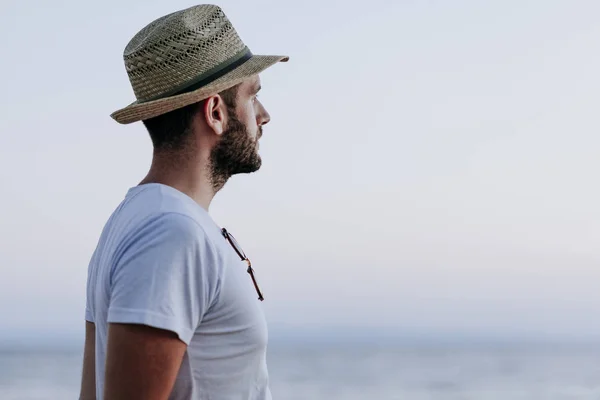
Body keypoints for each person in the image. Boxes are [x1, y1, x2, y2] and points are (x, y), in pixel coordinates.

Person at [79, 4, 288, 400]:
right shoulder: (172, 233)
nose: (264, 115)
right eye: (252, 96)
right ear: (215, 112)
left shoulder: (136, 222)